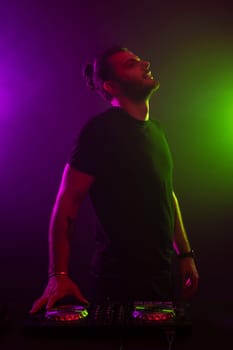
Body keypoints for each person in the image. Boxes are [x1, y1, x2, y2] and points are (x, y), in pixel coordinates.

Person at [30, 46, 199, 314]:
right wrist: (58, 275)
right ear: (111, 86)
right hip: (116, 283)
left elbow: (167, 194)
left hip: (161, 277)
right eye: (132, 64)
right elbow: (67, 205)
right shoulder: (99, 132)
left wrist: (186, 254)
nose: (146, 62)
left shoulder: (157, 131)